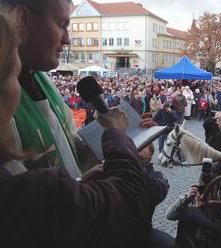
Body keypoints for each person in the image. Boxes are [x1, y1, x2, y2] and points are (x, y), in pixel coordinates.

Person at [0, 8, 149, 247]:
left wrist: (77, 185)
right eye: (61, 23)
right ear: (22, 19)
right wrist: (116, 137)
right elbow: (127, 196)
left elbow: (67, 151)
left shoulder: (41, 80)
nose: (67, 38)